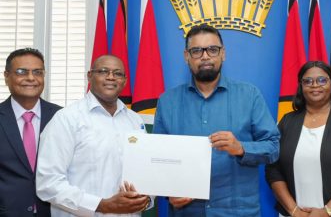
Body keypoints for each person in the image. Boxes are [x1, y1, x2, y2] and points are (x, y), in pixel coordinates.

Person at [153, 23, 280, 216]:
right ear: (187, 56)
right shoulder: (167, 101)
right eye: (197, 51)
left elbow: (273, 147)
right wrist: (168, 193)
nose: (205, 56)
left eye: (212, 49)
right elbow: (158, 160)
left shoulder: (249, 95)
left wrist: (242, 148)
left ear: (223, 54)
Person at [36, 55, 151, 216]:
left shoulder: (134, 120)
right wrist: (102, 205)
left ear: (124, 81)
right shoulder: (67, 119)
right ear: (89, 76)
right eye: (103, 71)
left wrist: (145, 199)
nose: (111, 77)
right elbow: (48, 183)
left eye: (118, 73)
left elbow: (145, 170)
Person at [265, 61, 331, 217]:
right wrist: (294, 211)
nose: (315, 85)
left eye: (322, 80)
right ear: (301, 86)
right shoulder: (287, 122)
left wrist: (327, 211)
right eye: (307, 81)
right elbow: (273, 170)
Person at [0, 48, 61, 217]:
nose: (31, 78)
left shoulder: (62, 117)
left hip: (53, 212)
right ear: (6, 76)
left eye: (37, 72)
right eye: (21, 72)